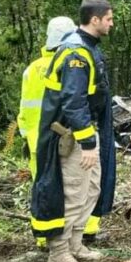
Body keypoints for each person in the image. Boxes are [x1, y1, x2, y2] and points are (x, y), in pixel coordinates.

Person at [30, 0, 116, 262]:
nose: (112, 24)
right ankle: (59, 255)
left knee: (91, 189)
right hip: (73, 136)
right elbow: (73, 100)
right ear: (95, 20)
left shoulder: (88, 48)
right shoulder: (76, 54)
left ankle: (76, 244)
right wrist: (88, 142)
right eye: (109, 19)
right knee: (73, 192)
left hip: (87, 131)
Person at [19, 17, 77, 179]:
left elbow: (24, 108)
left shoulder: (31, 69)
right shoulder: (71, 64)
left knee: (41, 188)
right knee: (66, 191)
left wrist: (26, 135)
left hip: (36, 140)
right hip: (64, 140)